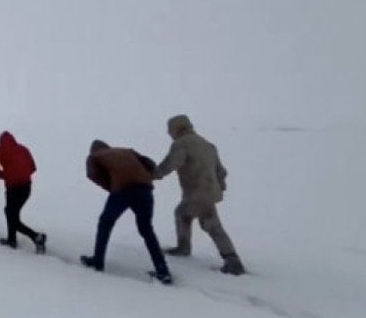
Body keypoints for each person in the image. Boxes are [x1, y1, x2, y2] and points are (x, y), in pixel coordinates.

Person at [155, 115, 245, 275]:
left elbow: (172, 163)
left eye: (170, 130)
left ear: (177, 129)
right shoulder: (207, 144)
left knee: (204, 222)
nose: (169, 133)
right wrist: (220, 186)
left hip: (197, 192)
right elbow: (221, 171)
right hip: (209, 191)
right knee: (192, 216)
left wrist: (156, 173)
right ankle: (228, 258)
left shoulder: (181, 144)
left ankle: (231, 260)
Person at [81, 140, 172, 284]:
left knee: (105, 223)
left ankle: (98, 261)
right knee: (146, 229)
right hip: (145, 190)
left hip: (123, 190)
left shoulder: (94, 157)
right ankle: (163, 271)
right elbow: (149, 162)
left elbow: (93, 175)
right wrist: (148, 177)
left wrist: (112, 188)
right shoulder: (127, 151)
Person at [0, 131, 47, 253]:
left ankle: (36, 237)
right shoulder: (23, 149)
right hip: (26, 187)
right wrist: (22, 175)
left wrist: (3, 175)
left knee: (11, 215)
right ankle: (12, 239)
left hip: (12, 188)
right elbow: (33, 167)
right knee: (12, 214)